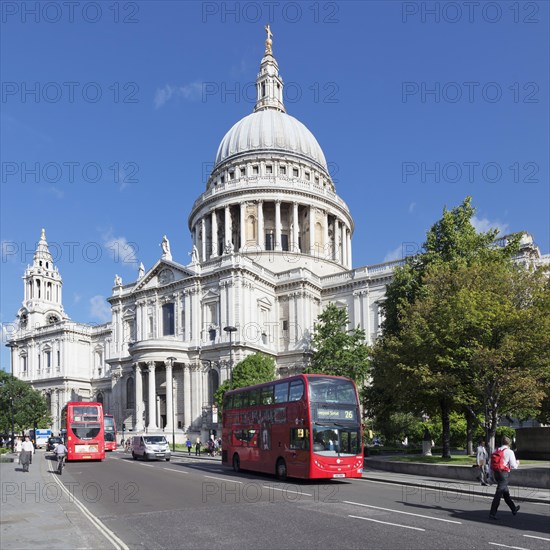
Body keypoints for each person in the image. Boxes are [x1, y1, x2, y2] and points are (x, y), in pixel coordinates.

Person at [489, 436, 521, 520]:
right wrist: (518, 463)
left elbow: (490, 465)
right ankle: (492, 513)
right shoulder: (509, 452)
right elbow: (514, 466)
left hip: (496, 473)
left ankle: (513, 509)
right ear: (509, 443)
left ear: (501, 442)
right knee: (498, 494)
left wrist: (490, 476)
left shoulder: (495, 450)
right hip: (504, 474)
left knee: (505, 493)